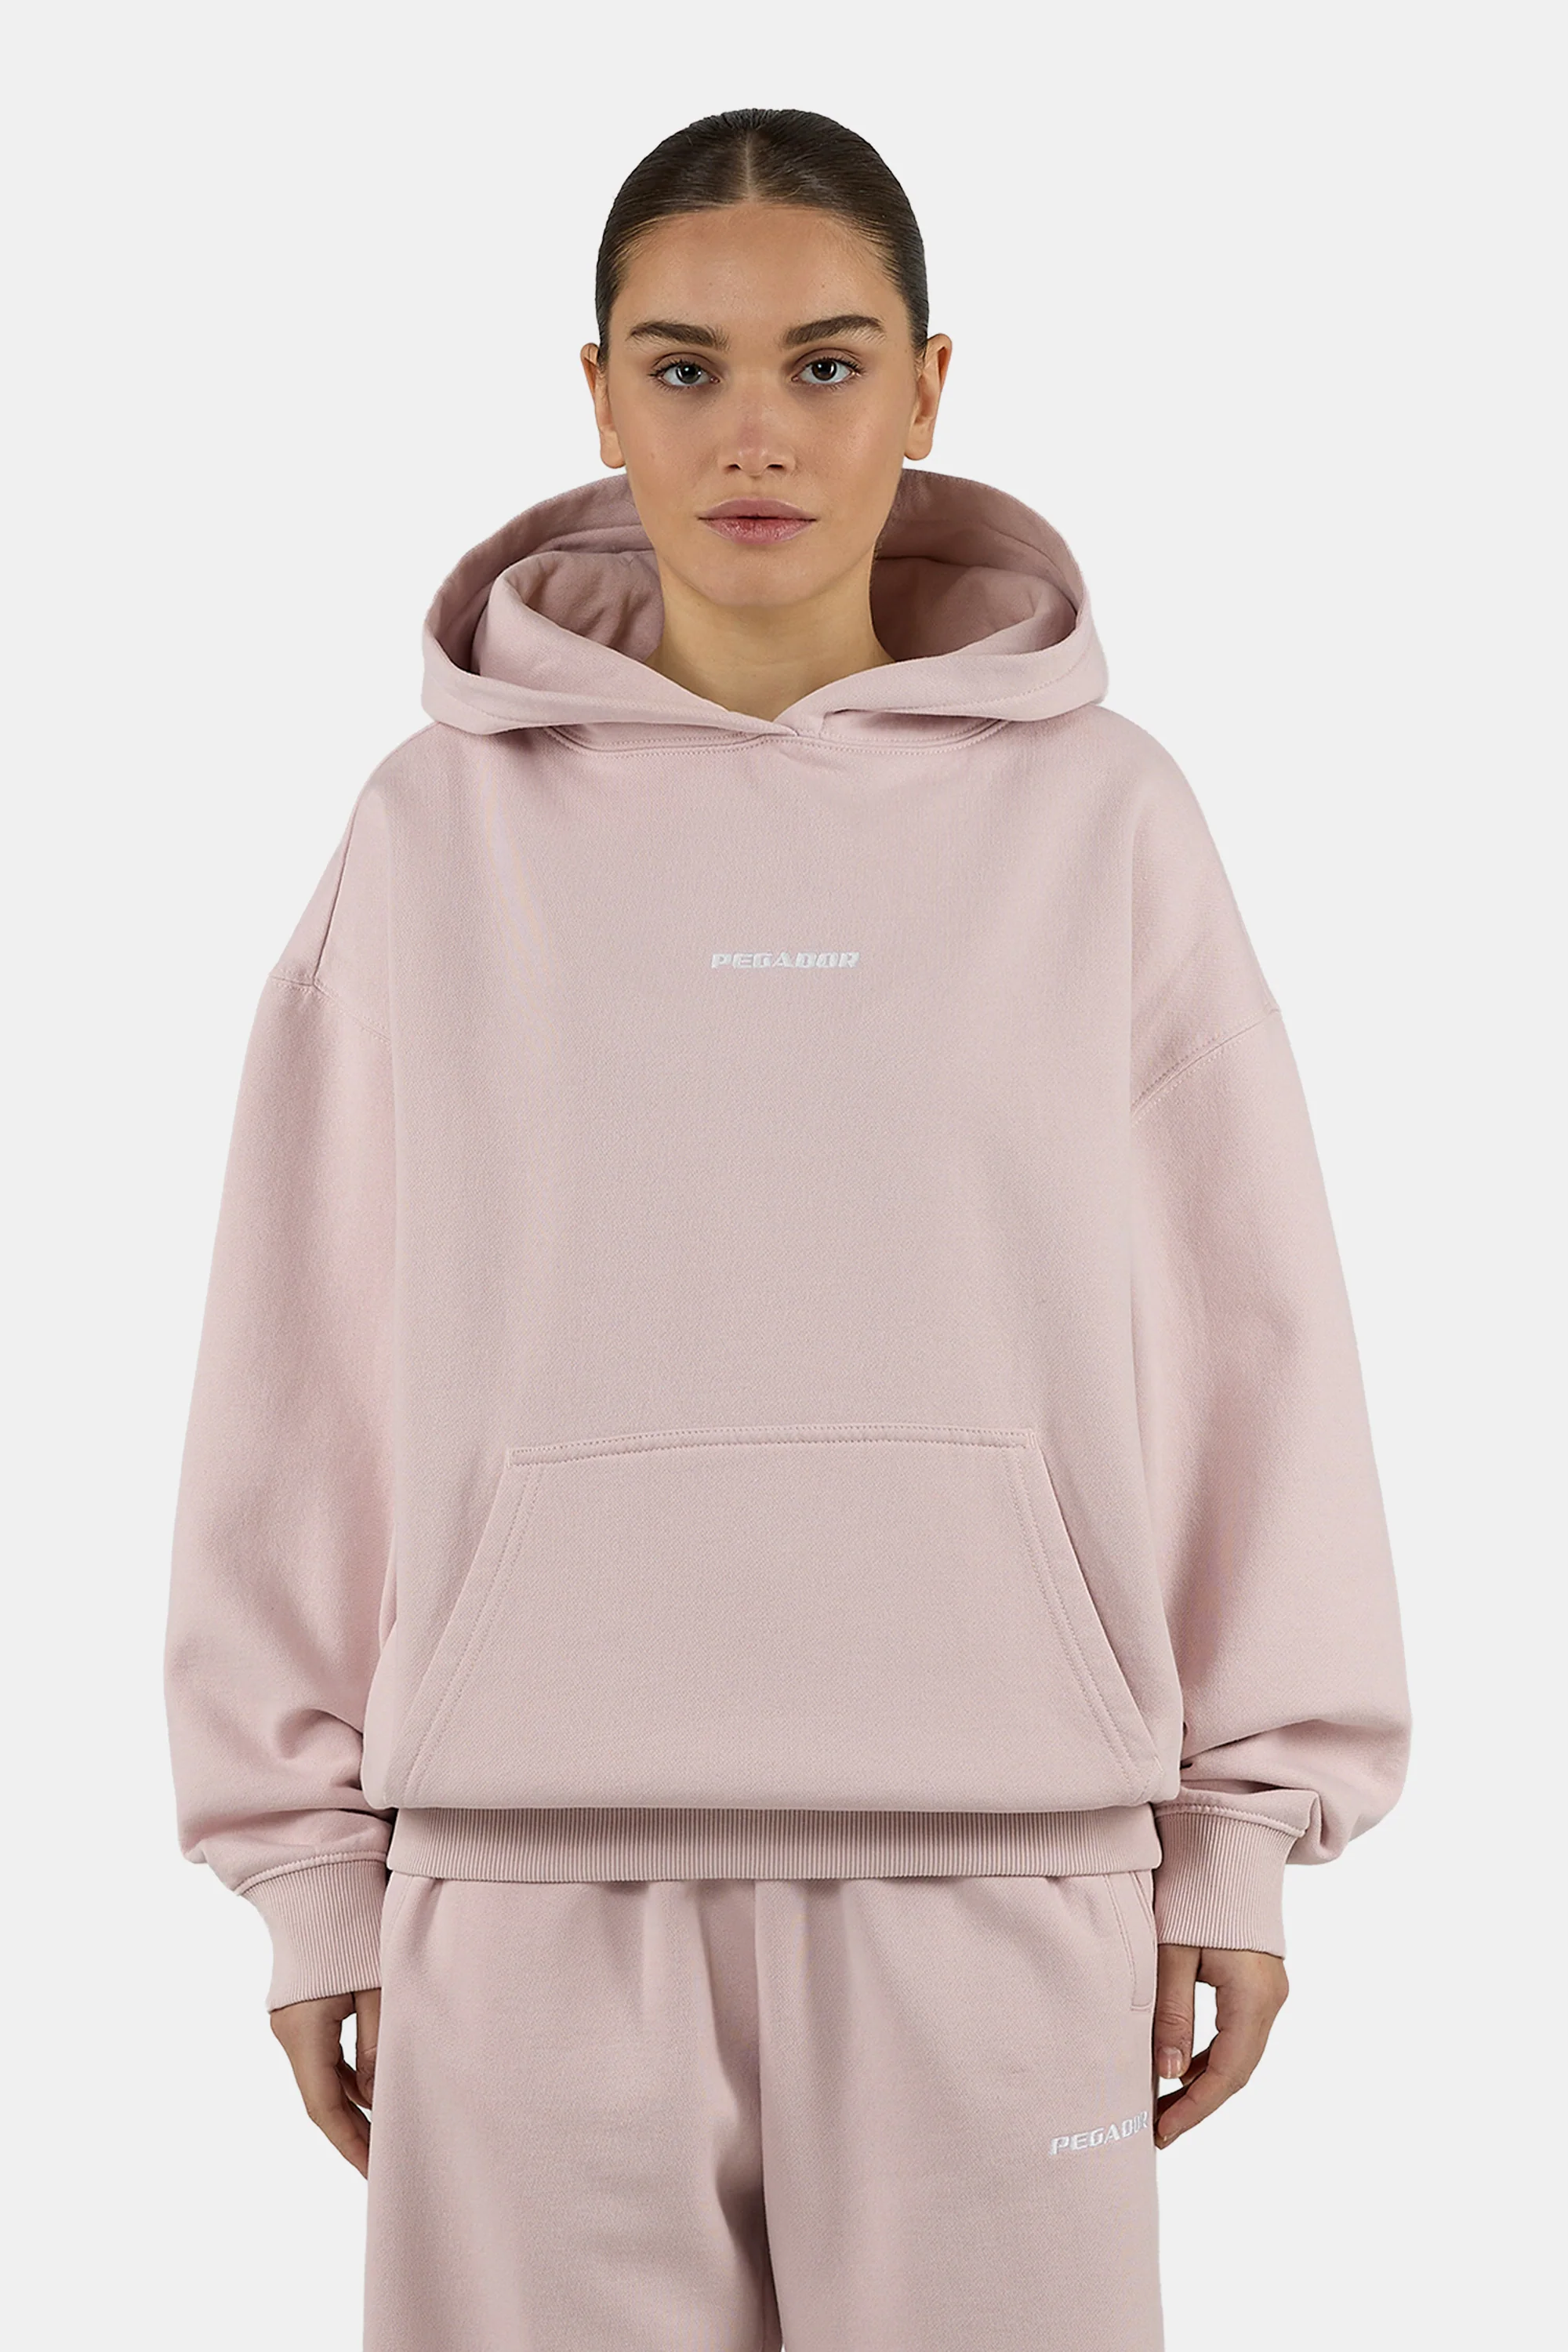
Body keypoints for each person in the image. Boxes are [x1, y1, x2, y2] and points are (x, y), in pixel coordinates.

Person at [162, 104, 1412, 2352]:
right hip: (525, 1897)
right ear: (599, 394)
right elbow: (300, 1356)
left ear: (927, 389)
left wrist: (1243, 1825)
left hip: (1007, 1883)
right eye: (687, 366)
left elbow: (1254, 1331)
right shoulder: (431, 837)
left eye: (826, 365)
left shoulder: (1107, 821)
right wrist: (307, 1873)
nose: (756, 432)